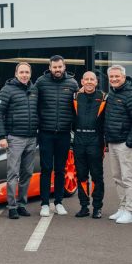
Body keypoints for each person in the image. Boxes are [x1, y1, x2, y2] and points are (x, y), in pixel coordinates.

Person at [35, 55, 78, 217]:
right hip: (45, 133)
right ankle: (45, 204)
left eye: (60, 67)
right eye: (54, 67)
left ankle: (59, 202)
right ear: (50, 67)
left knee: (60, 169)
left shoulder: (72, 83)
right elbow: (33, 103)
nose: (57, 70)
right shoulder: (41, 82)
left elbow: (77, 108)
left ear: (64, 67)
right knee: (46, 169)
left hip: (64, 133)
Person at [0, 63, 38, 219]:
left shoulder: (34, 90)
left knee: (27, 173)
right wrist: (1, 136)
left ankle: (22, 205)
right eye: (22, 72)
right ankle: (12, 206)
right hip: (15, 138)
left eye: (27, 72)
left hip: (31, 138)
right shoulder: (7, 90)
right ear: (16, 73)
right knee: (13, 173)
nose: (24, 75)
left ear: (30, 74)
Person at [72, 71, 106, 219]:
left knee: (97, 175)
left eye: (92, 79)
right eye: (87, 79)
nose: (89, 82)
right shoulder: (75, 97)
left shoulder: (104, 98)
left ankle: (97, 208)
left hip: (95, 141)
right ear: (82, 81)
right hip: (79, 140)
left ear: (96, 82)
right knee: (81, 175)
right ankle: (84, 206)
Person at [104, 65, 132, 224]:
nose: (114, 79)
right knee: (117, 178)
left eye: (117, 76)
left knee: (128, 178)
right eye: (111, 77)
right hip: (113, 142)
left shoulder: (129, 94)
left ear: (124, 77)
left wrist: (129, 142)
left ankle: (130, 210)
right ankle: (122, 207)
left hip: (125, 144)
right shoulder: (112, 94)